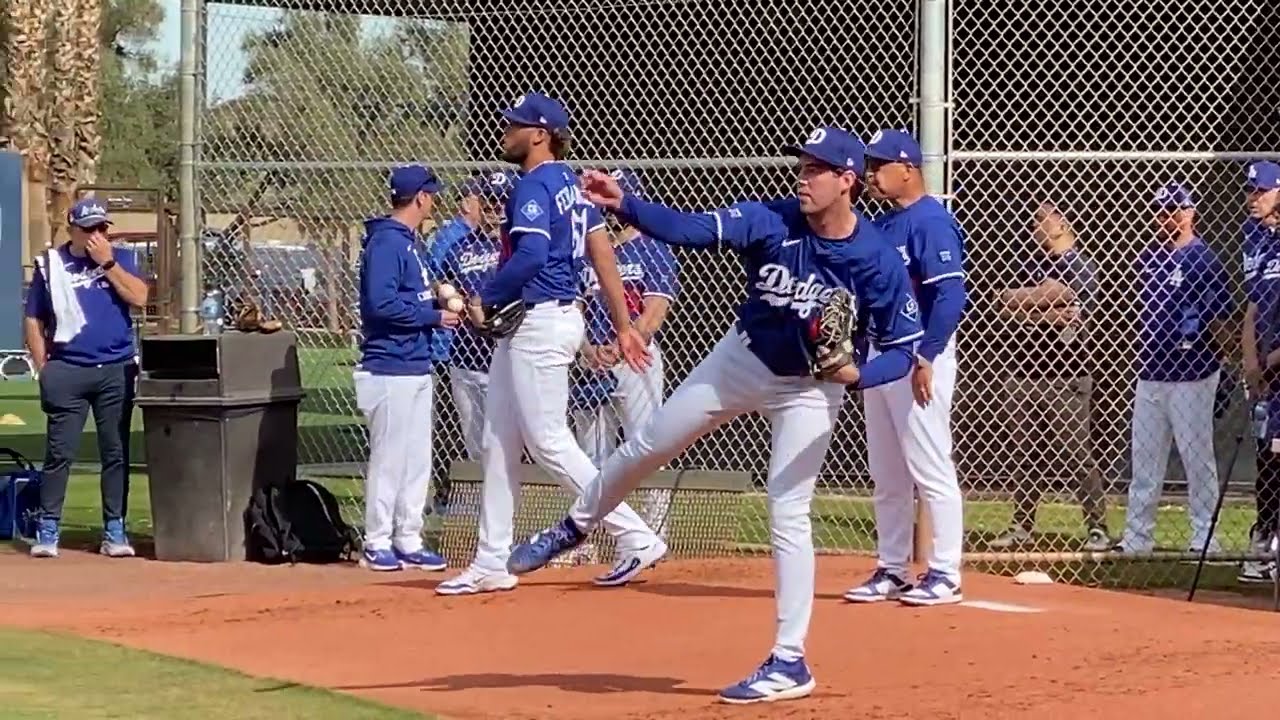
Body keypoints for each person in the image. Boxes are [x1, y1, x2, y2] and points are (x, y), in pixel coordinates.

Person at [506, 127, 923, 704]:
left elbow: (903, 349)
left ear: (847, 181)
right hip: (741, 359)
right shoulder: (772, 220)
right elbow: (692, 229)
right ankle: (575, 525)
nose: (802, 178)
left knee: (788, 509)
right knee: (649, 444)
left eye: (816, 169)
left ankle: (789, 660)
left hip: (810, 387)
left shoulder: (874, 258)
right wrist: (626, 204)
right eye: (802, 166)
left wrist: (857, 377)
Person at [435, 92, 668, 596]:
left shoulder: (536, 184)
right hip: (546, 319)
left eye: (514, 125)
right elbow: (602, 252)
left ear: (539, 135)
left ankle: (636, 535)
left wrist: (485, 296)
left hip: (540, 320)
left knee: (548, 441)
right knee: (499, 440)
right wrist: (622, 324)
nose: (504, 130)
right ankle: (491, 560)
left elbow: (532, 256)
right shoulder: (572, 183)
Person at [842, 129, 967, 606]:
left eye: (880, 166)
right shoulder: (885, 224)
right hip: (881, 354)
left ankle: (946, 572)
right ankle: (893, 568)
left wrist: (927, 356)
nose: (871, 174)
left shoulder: (931, 220)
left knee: (930, 464)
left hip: (917, 355)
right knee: (887, 472)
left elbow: (950, 295)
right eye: (869, 166)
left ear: (908, 169)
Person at [24, 198, 150, 559]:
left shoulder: (120, 258)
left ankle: (115, 528)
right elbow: (34, 318)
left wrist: (106, 262)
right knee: (59, 452)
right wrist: (43, 366)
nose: (97, 234)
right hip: (68, 368)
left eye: (102, 228)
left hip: (115, 368)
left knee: (115, 452)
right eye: (89, 228)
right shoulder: (52, 264)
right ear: (73, 230)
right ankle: (48, 527)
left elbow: (140, 298)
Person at [353, 164, 462, 572]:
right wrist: (433, 316)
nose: (433, 201)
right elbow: (379, 305)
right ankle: (377, 539)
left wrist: (435, 302)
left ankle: (408, 537)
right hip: (388, 366)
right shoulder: (387, 243)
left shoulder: (408, 242)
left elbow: (407, 298)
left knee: (417, 458)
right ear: (421, 197)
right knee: (390, 457)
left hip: (414, 362)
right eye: (431, 195)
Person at [1116, 183, 1234, 555]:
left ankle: (1205, 536)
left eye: (1173, 210)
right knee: (1144, 460)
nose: (1165, 217)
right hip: (1151, 370)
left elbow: (1220, 318)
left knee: (1197, 458)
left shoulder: (1204, 259)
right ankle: (1138, 537)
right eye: (1160, 210)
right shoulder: (1148, 257)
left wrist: (1224, 359)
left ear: (1189, 212)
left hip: (1192, 371)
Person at [991, 201, 1111, 551]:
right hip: (1023, 372)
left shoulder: (1081, 265)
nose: (1035, 226)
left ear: (1062, 222)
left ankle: (1097, 527)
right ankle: (1022, 525)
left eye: (1042, 219)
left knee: (1075, 452)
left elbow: (1067, 302)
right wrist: (1040, 305)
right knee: (1024, 452)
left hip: (1067, 374)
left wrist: (1028, 301)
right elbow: (1002, 304)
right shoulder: (1028, 262)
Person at [571, 168, 680, 537]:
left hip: (637, 361)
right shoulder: (589, 252)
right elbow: (577, 310)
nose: (609, 211)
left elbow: (654, 313)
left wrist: (623, 345)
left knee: (645, 447)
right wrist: (586, 349)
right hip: (593, 363)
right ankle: (587, 538)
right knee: (590, 455)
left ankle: (653, 534)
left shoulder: (653, 248)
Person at [433, 170, 519, 460]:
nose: (495, 207)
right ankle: (482, 489)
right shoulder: (460, 247)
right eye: (490, 200)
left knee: (506, 442)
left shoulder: (519, 245)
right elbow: (443, 284)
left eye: (502, 200)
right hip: (465, 356)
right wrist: (446, 294)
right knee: (475, 445)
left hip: (505, 354)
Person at [1240, 160, 1280, 584]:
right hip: (1267, 373)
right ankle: (1263, 538)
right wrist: (1252, 362)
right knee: (1267, 456)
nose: (1254, 199)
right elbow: (1253, 306)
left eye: (1262, 191)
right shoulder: (1259, 241)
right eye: (1251, 191)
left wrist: (1268, 362)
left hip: (1276, 364)